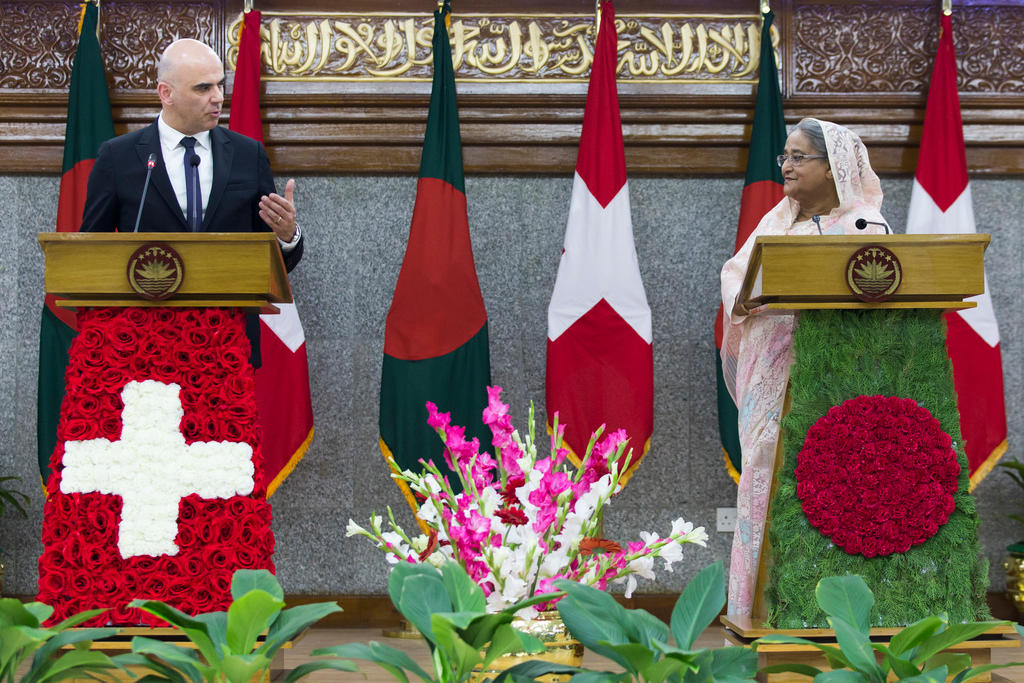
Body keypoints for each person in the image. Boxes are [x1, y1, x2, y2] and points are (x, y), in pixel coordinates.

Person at [719, 118, 887, 617]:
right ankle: (754, 611)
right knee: (762, 479)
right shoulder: (778, 219)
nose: (786, 167)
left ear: (832, 167)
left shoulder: (865, 226)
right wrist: (748, 300)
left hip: (827, 381)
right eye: (785, 157)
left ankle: (818, 610)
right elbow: (736, 272)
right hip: (766, 372)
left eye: (798, 157)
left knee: (819, 487)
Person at [79, 38, 303, 364]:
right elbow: (90, 251)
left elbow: (267, 260)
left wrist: (286, 237)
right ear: (166, 94)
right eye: (203, 88)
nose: (218, 98)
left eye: (219, 85)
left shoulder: (246, 154)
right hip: (145, 342)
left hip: (227, 341)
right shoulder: (119, 157)